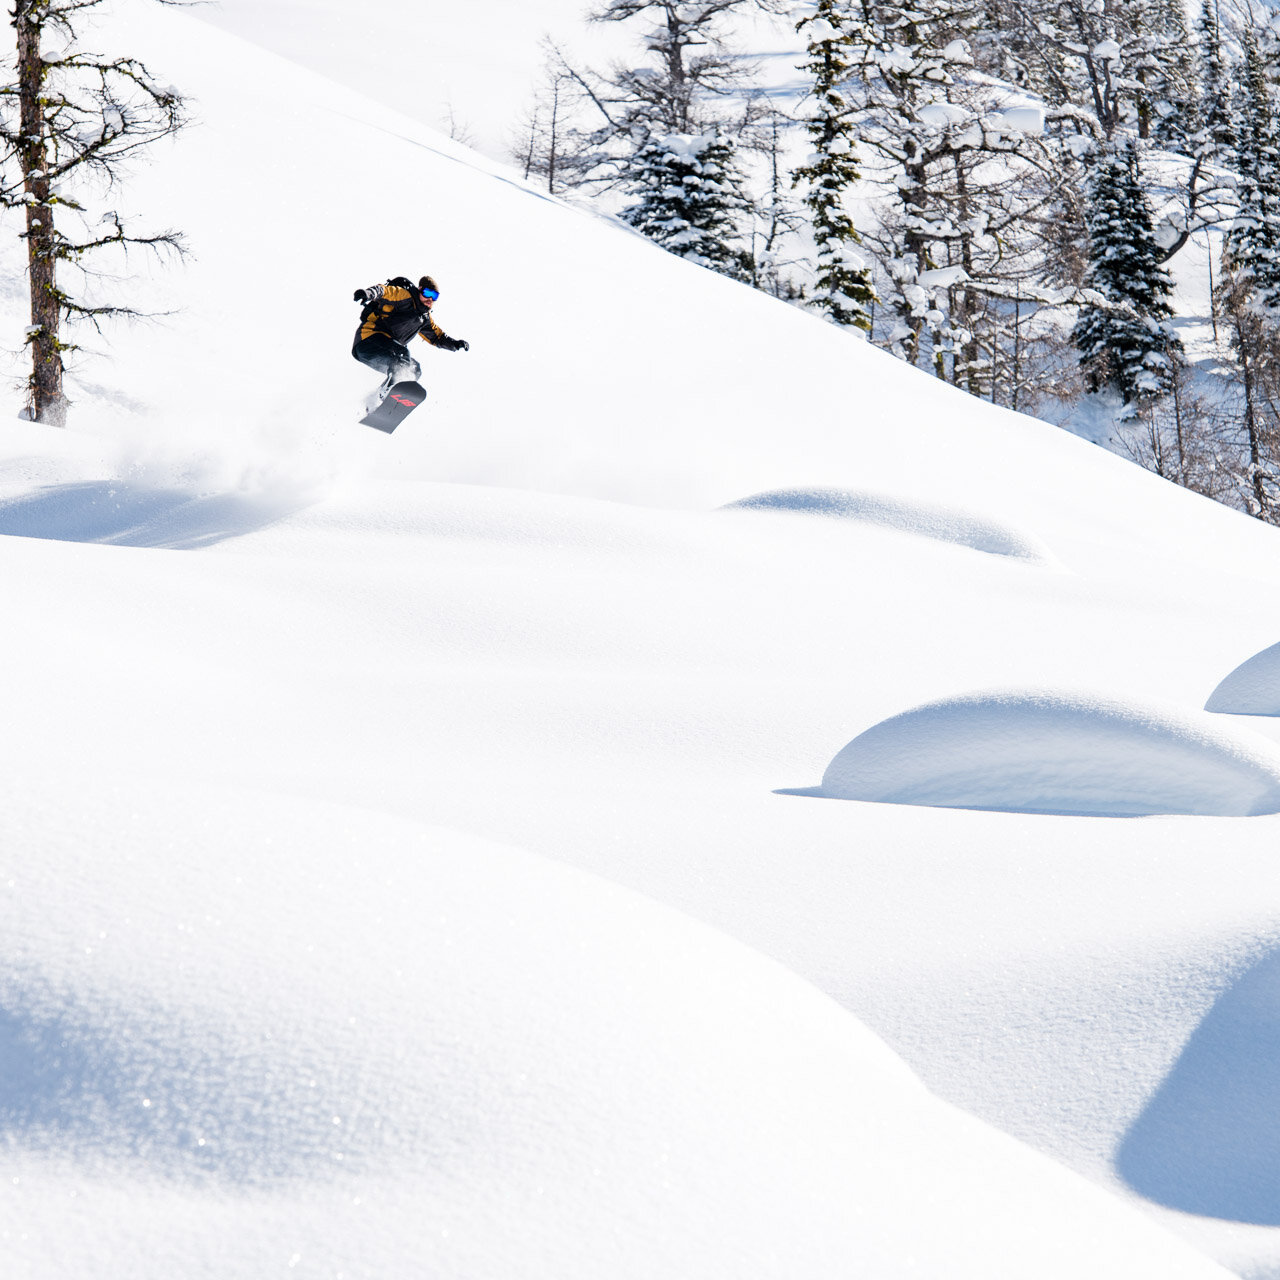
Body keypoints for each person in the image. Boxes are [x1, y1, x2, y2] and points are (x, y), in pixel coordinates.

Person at [351, 275, 469, 405]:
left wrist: (455, 344)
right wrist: (368, 293)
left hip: (380, 352)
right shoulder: (405, 296)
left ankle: (377, 402)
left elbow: (437, 336)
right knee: (403, 355)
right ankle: (388, 391)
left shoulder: (424, 319)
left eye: (434, 296)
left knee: (414, 369)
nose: (430, 299)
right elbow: (383, 291)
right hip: (368, 339)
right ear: (419, 290)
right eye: (427, 293)